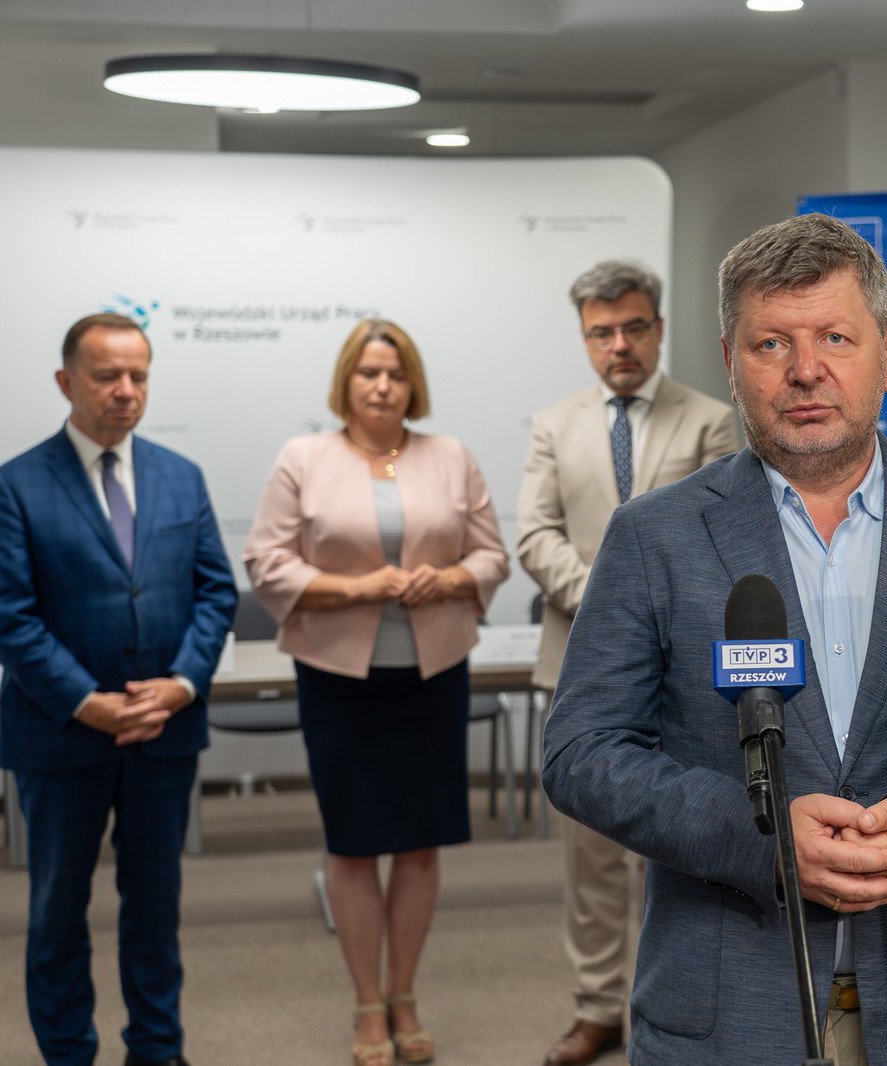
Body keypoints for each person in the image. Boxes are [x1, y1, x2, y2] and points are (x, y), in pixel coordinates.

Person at [542, 214, 887, 1066]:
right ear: (730, 360)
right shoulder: (654, 536)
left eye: (836, 338)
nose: (806, 369)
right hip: (727, 1011)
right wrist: (759, 837)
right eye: (772, 343)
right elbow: (581, 752)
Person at [244, 319, 510, 1066]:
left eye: (396, 373)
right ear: (346, 382)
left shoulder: (450, 455)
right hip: (339, 680)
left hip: (433, 675)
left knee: (421, 842)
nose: (383, 386)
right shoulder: (304, 457)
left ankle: (404, 996)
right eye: (368, 373)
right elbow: (266, 562)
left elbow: (492, 557)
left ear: (412, 383)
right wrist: (352, 589)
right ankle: (367, 1005)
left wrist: (449, 577)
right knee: (355, 843)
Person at [0, 312, 237, 1066]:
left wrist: (182, 684)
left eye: (139, 376)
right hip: (60, 738)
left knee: (154, 909)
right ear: (67, 382)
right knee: (58, 911)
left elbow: (216, 593)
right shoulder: (16, 485)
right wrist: (86, 702)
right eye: (107, 376)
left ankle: (157, 1048)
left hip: (163, 733)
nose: (126, 390)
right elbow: (6, 616)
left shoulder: (180, 476)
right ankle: (67, 1053)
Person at [517, 259, 739, 1066]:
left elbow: (722, 536)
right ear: (586, 339)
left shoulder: (711, 420)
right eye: (602, 332)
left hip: (686, 676)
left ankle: (675, 1005)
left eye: (634, 327)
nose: (620, 345)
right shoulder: (554, 425)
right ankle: (596, 1007)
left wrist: (642, 608)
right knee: (592, 857)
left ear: (659, 329)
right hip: (580, 666)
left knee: (682, 843)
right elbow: (534, 532)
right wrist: (608, 598)